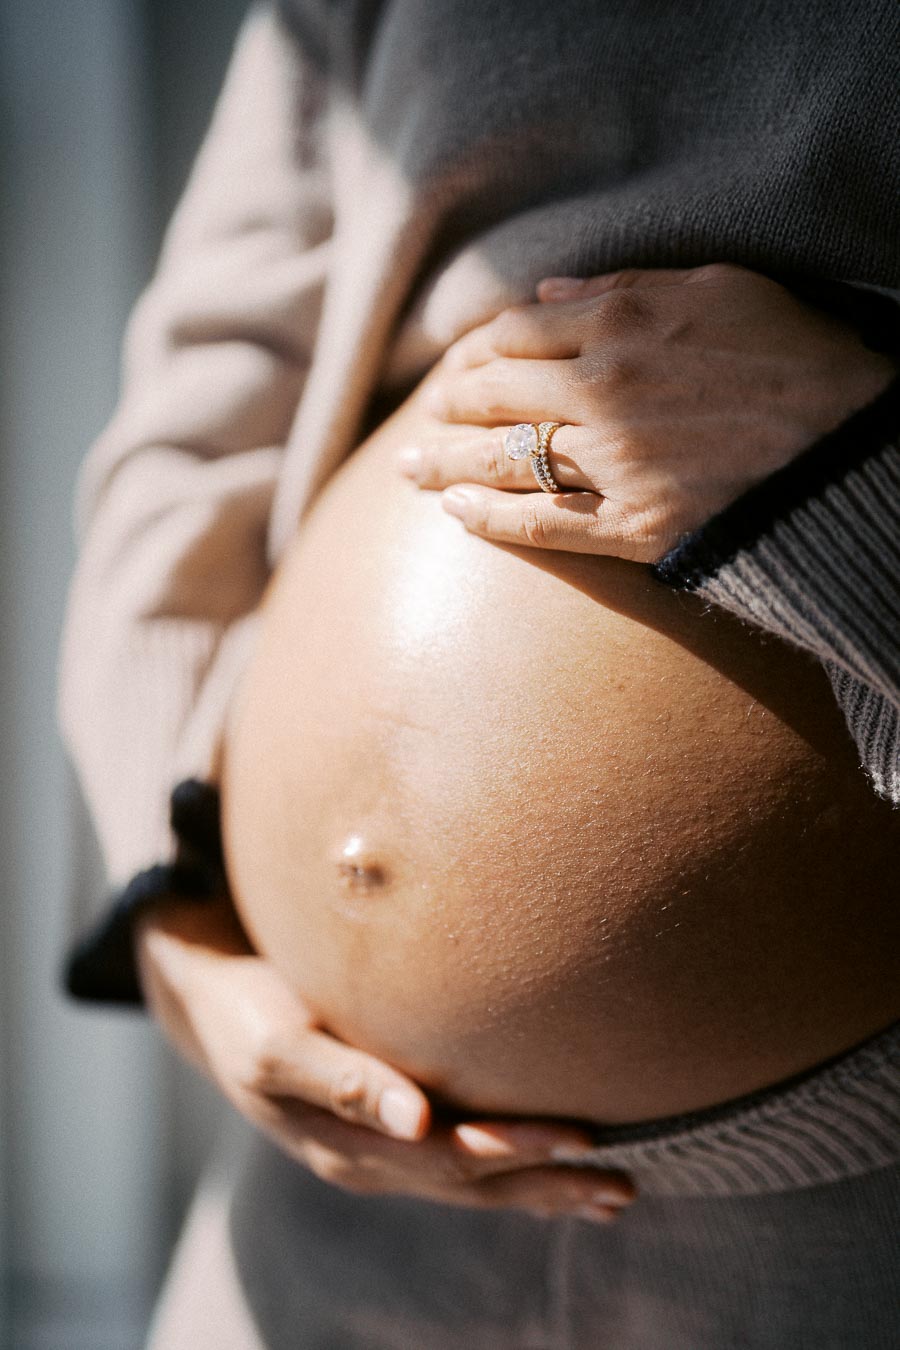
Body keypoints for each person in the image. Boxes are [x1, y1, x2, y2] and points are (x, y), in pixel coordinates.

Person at [58, 1, 900, 1345]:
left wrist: (857, 467)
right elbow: (200, 418)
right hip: (319, 1219)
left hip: (842, 1237)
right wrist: (183, 926)